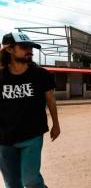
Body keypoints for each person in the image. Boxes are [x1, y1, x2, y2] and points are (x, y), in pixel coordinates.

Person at [0, 32, 60, 188]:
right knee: (12, 184)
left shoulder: (41, 74)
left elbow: (51, 100)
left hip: (32, 135)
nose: (30, 51)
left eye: (31, 47)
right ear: (9, 50)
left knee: (31, 181)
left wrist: (56, 124)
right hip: (4, 139)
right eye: (24, 47)